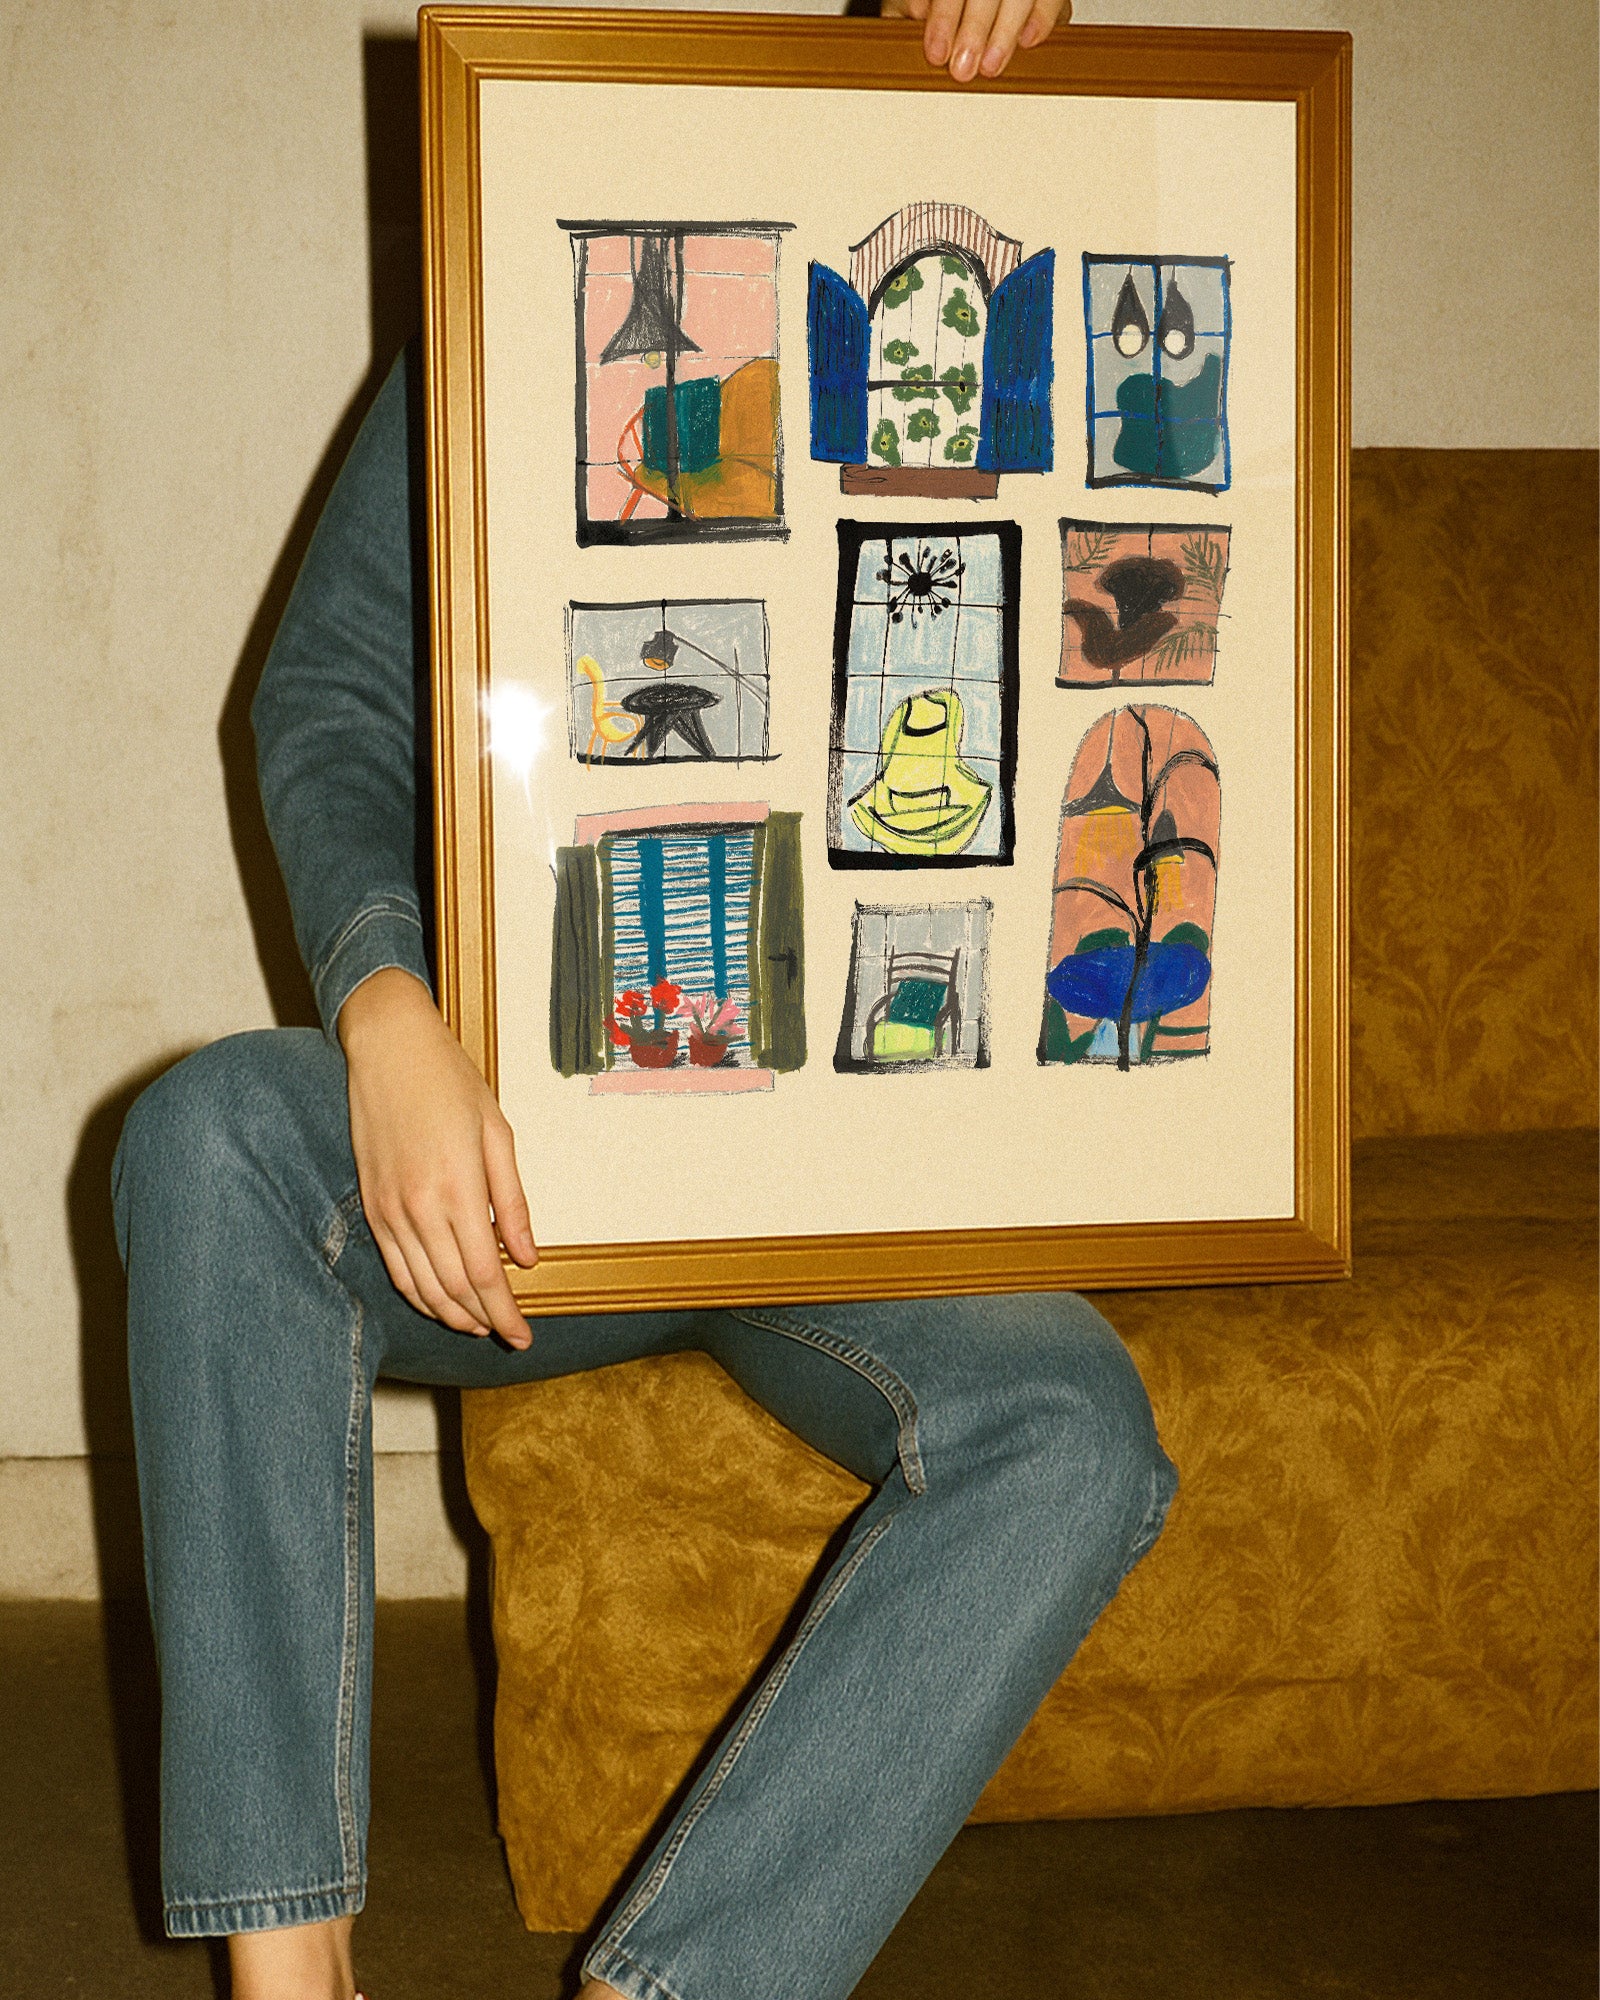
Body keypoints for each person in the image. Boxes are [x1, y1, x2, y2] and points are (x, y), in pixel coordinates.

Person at [112, 7, 1177, 1997]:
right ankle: (292, 1976)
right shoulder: (562, 223)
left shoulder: (1058, 244)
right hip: (555, 1145)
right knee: (207, 1135)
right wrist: (385, 1005)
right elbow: (333, 688)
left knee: (1070, 1423)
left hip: (868, 1182)